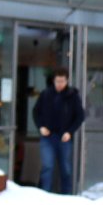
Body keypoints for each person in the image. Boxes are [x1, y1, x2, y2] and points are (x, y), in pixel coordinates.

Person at [33, 64, 84, 194]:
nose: (60, 84)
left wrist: (70, 132)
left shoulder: (72, 96)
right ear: (53, 80)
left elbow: (80, 116)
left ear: (67, 80)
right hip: (47, 137)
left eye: (62, 81)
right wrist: (41, 127)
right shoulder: (46, 94)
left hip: (64, 137)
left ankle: (66, 195)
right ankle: (45, 194)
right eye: (57, 81)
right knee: (47, 166)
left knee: (65, 168)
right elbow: (36, 112)